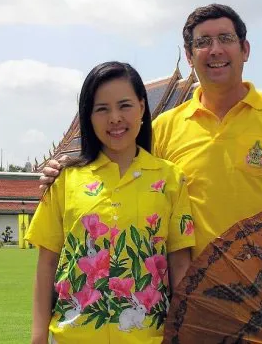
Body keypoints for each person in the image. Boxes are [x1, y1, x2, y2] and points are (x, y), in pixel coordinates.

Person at [40, 4, 262, 261]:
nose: (215, 49)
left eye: (226, 39)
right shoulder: (163, 128)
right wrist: (70, 170)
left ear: (245, 50)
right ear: (190, 57)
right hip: (190, 295)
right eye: (203, 42)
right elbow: (119, 178)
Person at [27, 61, 195, 344]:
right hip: (72, 336)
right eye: (102, 109)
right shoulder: (66, 180)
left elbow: (180, 264)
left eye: (125, 105)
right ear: (88, 118)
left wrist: (184, 333)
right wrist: (37, 336)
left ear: (143, 108)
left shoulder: (170, 179)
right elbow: (47, 264)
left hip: (148, 338)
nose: (115, 118)